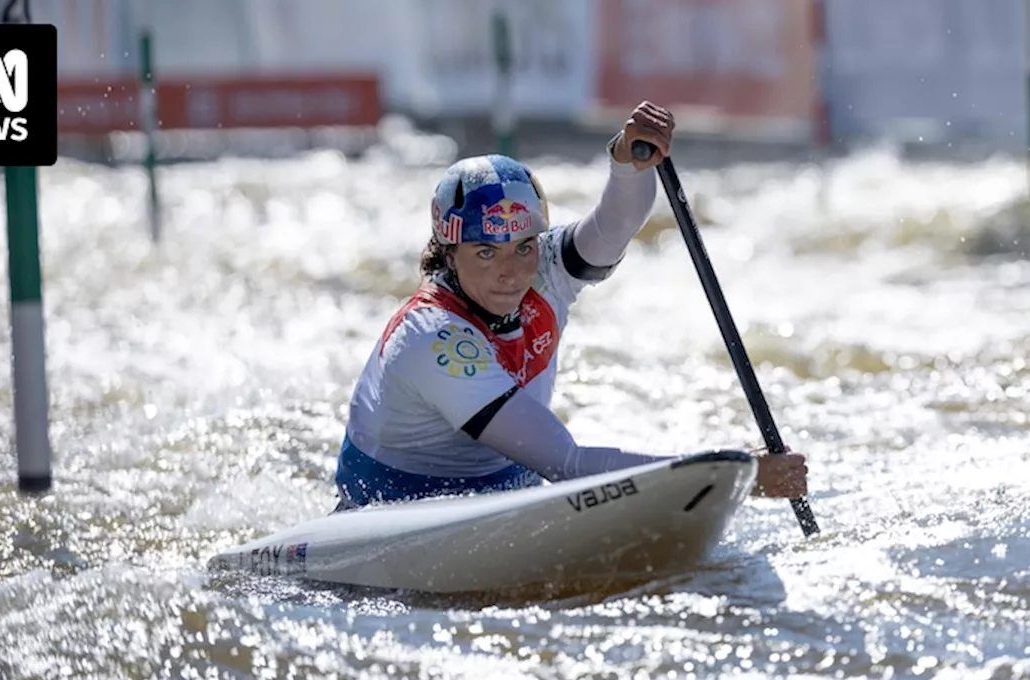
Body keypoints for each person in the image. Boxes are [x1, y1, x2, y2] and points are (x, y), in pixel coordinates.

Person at [334, 101, 808, 510]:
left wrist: (630, 164)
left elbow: (612, 227)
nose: (511, 271)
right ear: (448, 252)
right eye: (485, 252)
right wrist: (739, 475)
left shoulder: (546, 268)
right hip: (389, 502)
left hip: (502, 490)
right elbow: (567, 465)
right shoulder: (430, 336)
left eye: (523, 246)